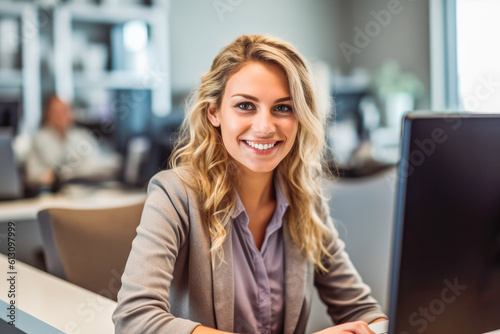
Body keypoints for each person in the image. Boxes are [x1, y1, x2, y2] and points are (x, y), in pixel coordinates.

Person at [113, 34, 387, 334]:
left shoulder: (305, 201)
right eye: (245, 106)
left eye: (283, 107)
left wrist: (372, 330)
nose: (265, 127)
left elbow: (364, 311)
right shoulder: (176, 195)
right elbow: (134, 319)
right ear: (214, 112)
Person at [25, 95, 120, 192]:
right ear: (48, 114)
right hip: (52, 193)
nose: (62, 115)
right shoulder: (39, 140)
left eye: (66, 111)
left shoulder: (82, 136)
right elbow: (32, 177)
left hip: (83, 190)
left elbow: (96, 164)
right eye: (57, 112)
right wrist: (52, 176)